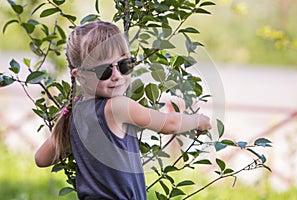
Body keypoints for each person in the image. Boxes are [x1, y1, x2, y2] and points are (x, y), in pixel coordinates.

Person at [34, 20, 211, 200]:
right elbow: (169, 123)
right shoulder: (119, 106)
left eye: (124, 65)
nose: (117, 76)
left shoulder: (75, 112)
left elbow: (41, 159)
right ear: (80, 76)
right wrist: (199, 120)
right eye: (104, 71)